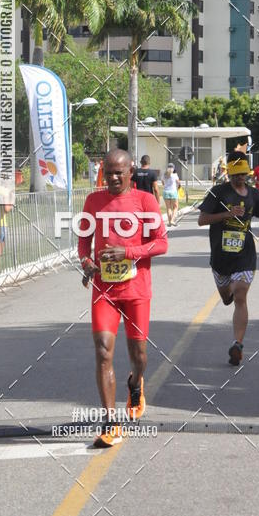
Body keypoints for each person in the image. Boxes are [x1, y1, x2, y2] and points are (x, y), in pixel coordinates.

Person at [79, 149, 168, 448]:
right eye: (109, 172)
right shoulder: (93, 201)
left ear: (131, 171)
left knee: (138, 355)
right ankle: (110, 422)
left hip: (136, 290)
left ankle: (135, 382)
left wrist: (128, 252)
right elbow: (83, 242)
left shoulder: (145, 201)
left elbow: (161, 244)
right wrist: (86, 263)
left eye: (120, 172)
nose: (114, 178)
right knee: (103, 350)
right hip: (104, 290)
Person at [198, 152, 259, 366]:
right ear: (229, 174)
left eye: (243, 174)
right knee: (227, 297)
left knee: (240, 295)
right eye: (236, 175)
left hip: (245, 255)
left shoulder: (254, 194)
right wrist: (227, 214)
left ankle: (237, 344)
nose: (240, 178)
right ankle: (227, 292)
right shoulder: (218, 193)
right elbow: (202, 220)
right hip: (221, 258)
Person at [162, 163, 180, 227]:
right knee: (175, 207)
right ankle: (172, 220)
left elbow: (163, 183)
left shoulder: (164, 175)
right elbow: (178, 183)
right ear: (173, 168)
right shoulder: (175, 175)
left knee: (168, 208)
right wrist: (177, 188)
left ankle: (170, 222)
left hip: (165, 192)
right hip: (173, 192)